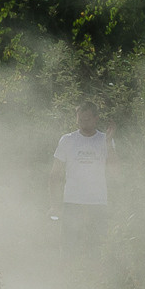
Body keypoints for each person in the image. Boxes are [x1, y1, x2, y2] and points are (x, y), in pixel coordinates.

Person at [50, 102, 114, 251]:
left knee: (97, 248)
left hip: (98, 203)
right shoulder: (67, 140)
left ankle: (93, 274)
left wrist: (109, 143)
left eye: (87, 120)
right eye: (80, 120)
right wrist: (54, 205)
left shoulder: (105, 140)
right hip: (72, 203)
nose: (82, 124)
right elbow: (55, 174)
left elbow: (116, 171)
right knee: (68, 248)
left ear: (96, 119)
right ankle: (67, 273)